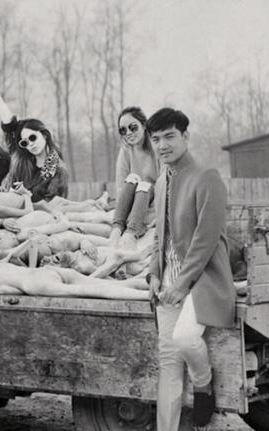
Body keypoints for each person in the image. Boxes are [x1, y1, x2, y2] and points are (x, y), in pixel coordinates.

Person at [145, 108, 234, 430]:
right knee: (168, 363)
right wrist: (154, 275)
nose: (162, 145)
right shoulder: (160, 181)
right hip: (167, 281)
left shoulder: (206, 176)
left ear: (185, 136)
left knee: (184, 338)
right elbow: (159, 237)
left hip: (204, 282)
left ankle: (202, 383)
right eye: (155, 139)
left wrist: (180, 285)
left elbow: (205, 241)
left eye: (169, 136)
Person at [0, 66, 69, 202]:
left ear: (44, 135)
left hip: (36, 219)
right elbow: (9, 125)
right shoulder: (24, 160)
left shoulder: (57, 170)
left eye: (33, 138)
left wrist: (25, 195)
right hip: (7, 208)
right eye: (25, 142)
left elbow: (52, 206)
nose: (30, 144)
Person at [0, 259, 148, 300]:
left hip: (34, 284)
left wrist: (16, 291)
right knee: (100, 283)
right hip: (42, 271)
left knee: (93, 292)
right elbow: (11, 260)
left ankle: (147, 296)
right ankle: (142, 283)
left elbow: (2, 290)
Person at [110, 106, 159, 249]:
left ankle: (131, 232)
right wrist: (124, 215)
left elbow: (165, 186)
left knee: (144, 185)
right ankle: (117, 228)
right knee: (132, 178)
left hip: (152, 202)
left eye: (133, 127)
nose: (129, 133)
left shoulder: (156, 147)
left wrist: (155, 216)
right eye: (123, 130)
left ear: (144, 125)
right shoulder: (125, 150)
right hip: (131, 203)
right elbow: (121, 187)